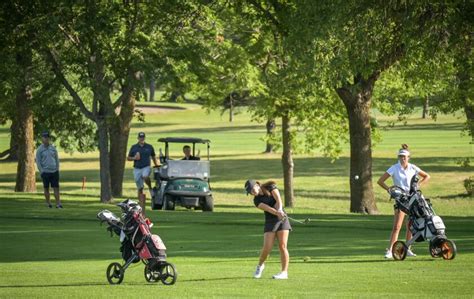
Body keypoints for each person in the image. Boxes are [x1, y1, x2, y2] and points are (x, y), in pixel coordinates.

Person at [377, 144, 430, 259]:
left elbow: (427, 176)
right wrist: (390, 190)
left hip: (412, 199)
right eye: (400, 156)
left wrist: (418, 185)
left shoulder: (412, 167)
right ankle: (390, 250)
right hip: (401, 199)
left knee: (410, 225)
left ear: (408, 157)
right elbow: (380, 181)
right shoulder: (394, 168)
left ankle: (408, 248)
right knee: (397, 226)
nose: (402, 158)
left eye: (404, 157)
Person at [245, 179, 291, 280]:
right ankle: (260, 266)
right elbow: (268, 209)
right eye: (250, 192)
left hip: (282, 219)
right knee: (267, 248)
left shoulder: (270, 186)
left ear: (257, 185)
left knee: (283, 246)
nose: (252, 193)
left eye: (252, 190)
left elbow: (278, 199)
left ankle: (284, 272)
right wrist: (277, 213)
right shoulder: (256, 201)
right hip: (271, 221)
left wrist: (279, 210)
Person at [127, 132, 159, 213]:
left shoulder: (149, 147)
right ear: (138, 138)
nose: (142, 139)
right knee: (140, 188)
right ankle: (140, 205)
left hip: (146, 166)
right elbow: (128, 158)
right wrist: (134, 158)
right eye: (140, 137)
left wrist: (157, 165)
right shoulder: (134, 147)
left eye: (143, 137)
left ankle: (150, 188)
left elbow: (153, 157)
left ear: (144, 138)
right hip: (137, 168)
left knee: (145, 176)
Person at [36, 131, 62, 208]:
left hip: (54, 171)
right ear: (42, 139)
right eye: (44, 137)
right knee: (46, 188)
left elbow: (57, 160)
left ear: (49, 139)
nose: (46, 139)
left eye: (47, 137)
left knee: (56, 188)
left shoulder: (53, 148)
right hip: (45, 172)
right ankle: (48, 204)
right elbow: (38, 161)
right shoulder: (40, 150)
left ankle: (58, 204)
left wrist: (57, 169)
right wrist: (42, 171)